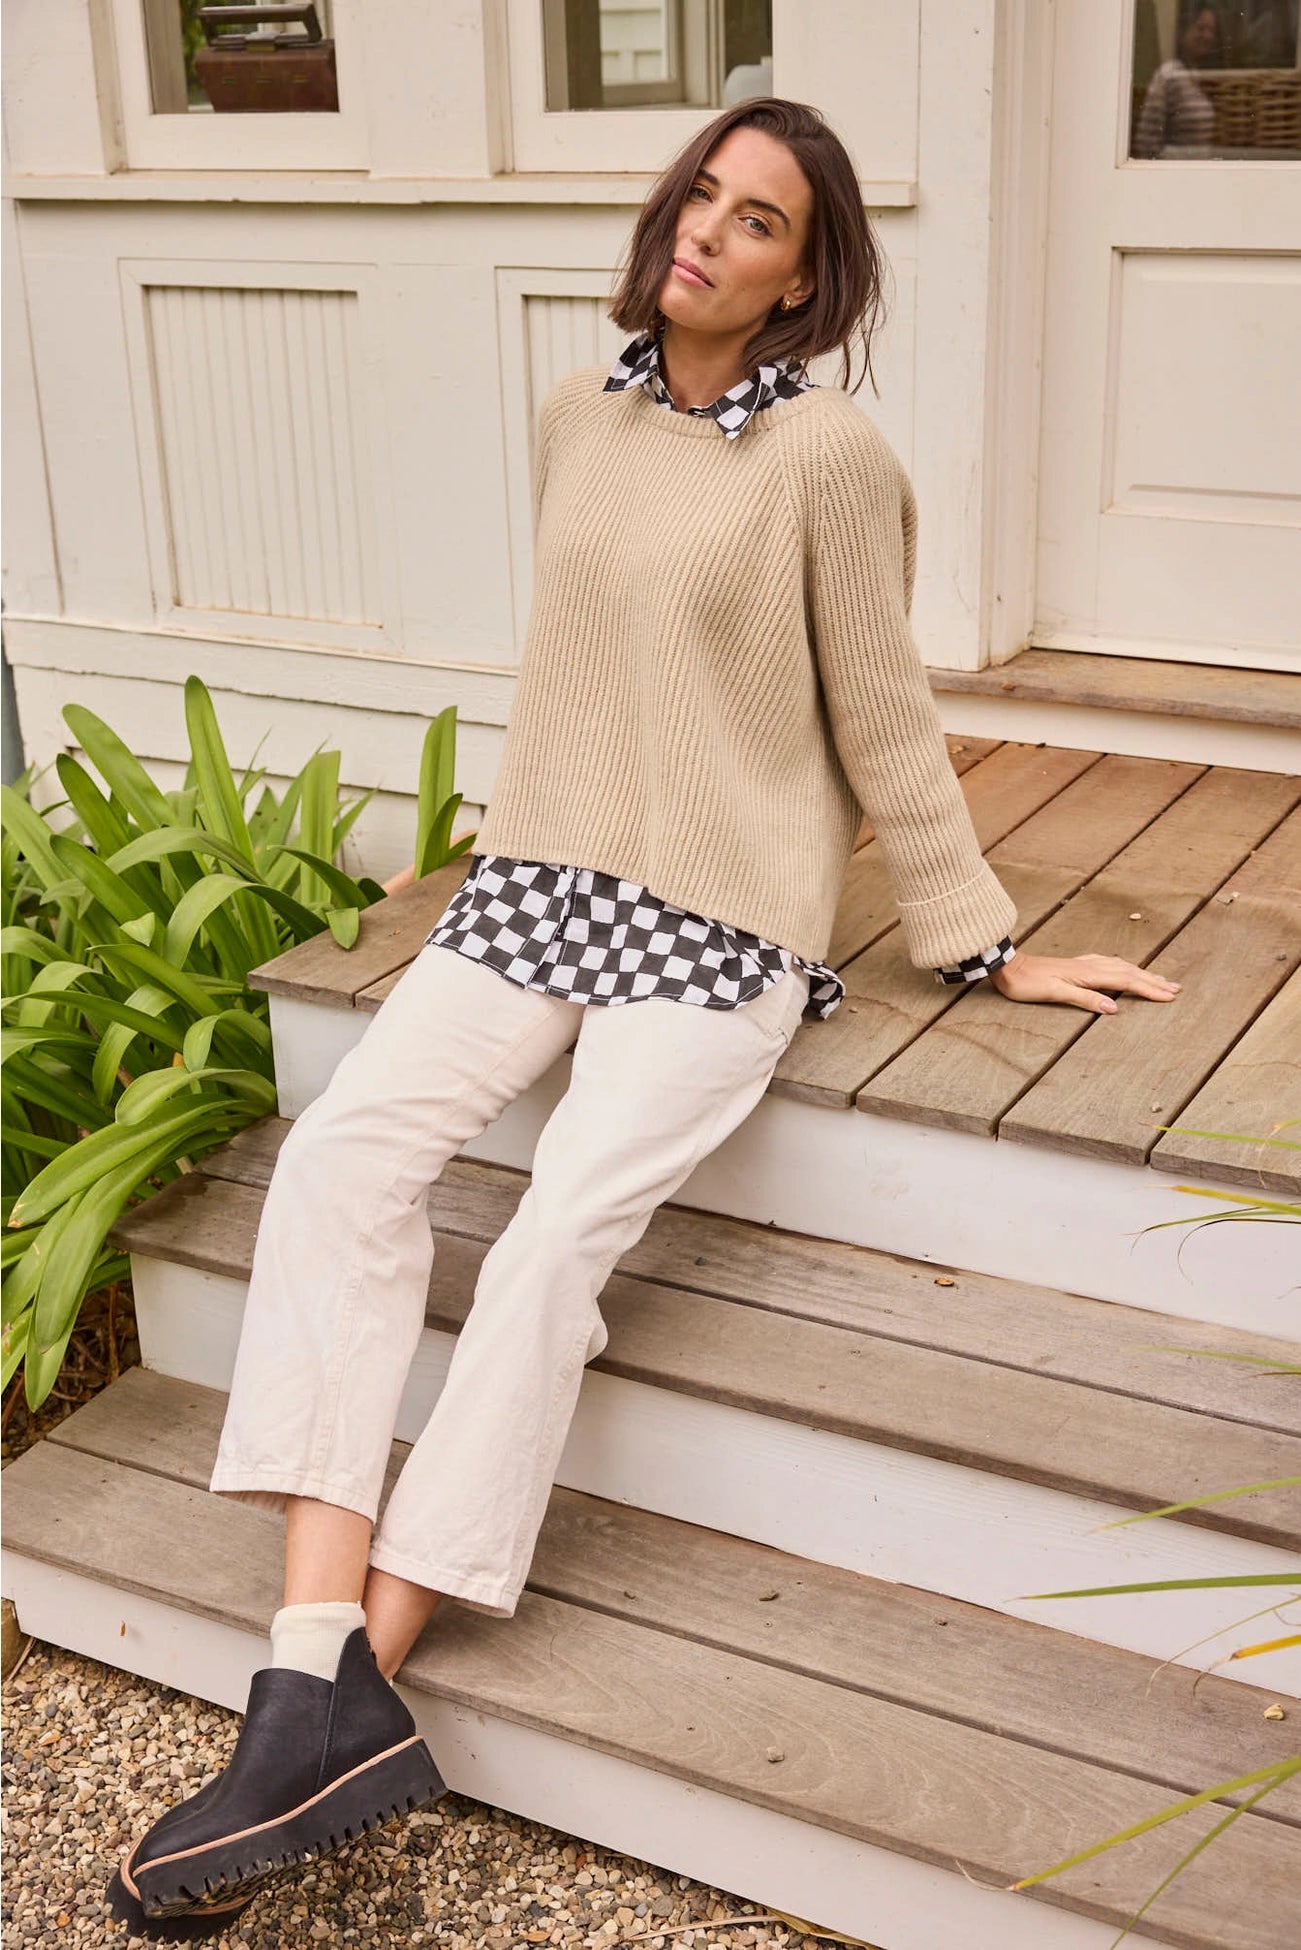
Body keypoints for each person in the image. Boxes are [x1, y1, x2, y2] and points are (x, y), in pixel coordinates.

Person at [108, 96, 1180, 1938]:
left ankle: (350, 1683)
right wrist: (491, 843)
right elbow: (584, 671)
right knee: (344, 1158)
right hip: (544, 881)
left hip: (722, 915)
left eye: (759, 220)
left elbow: (882, 709)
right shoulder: (578, 417)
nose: (709, 228)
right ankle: (308, 1668)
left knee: (550, 1242)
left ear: (799, 281)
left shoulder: (828, 457)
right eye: (703, 192)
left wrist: (980, 939)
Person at [1133, 4, 1221, 158]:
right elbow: (1146, 141)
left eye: (1211, 30)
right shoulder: (1168, 74)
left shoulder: (1200, 76)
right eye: (1201, 28)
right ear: (1183, 31)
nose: (1207, 36)